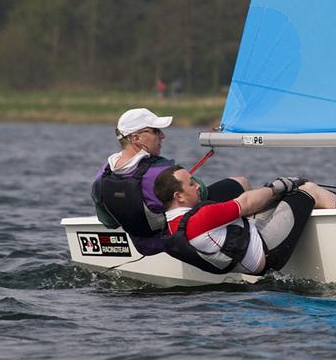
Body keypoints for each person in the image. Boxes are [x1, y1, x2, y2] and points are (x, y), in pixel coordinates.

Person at [91, 108, 248, 255]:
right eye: (156, 131)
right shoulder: (161, 171)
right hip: (174, 244)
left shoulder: (102, 175)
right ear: (136, 138)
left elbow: (109, 223)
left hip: (142, 247)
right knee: (240, 183)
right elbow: (201, 192)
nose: (162, 136)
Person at [154, 166, 336, 275]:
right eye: (191, 184)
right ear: (178, 196)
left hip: (249, 253)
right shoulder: (201, 218)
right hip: (268, 251)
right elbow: (246, 203)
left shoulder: (169, 229)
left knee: (279, 199)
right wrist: (279, 186)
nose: (198, 187)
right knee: (308, 189)